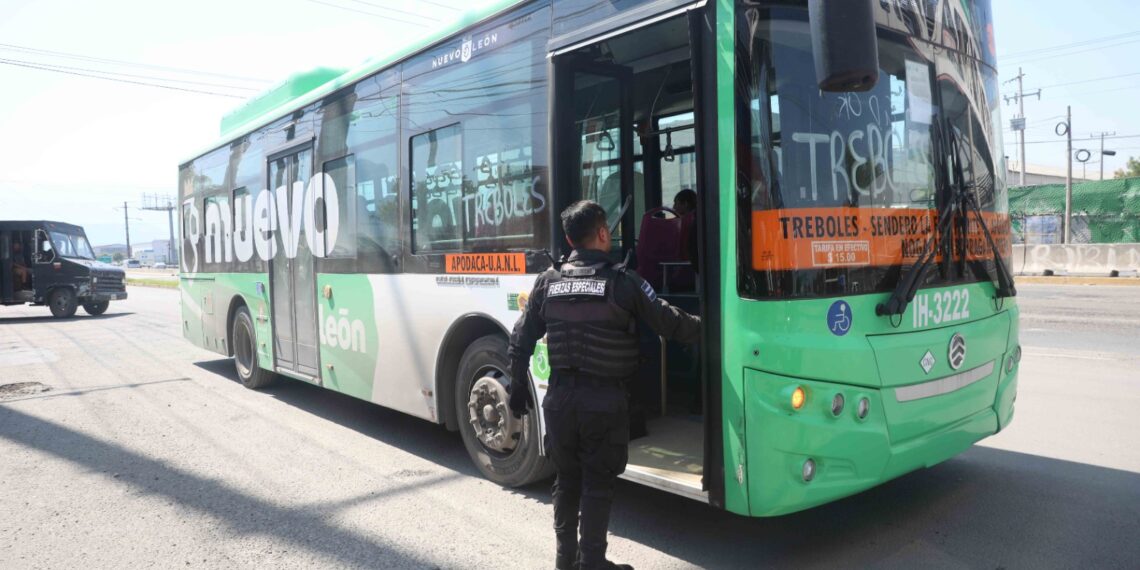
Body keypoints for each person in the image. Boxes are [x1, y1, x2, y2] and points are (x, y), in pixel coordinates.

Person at [508, 200, 701, 570]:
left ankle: (566, 561)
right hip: (604, 402)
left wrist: (517, 386)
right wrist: (714, 326)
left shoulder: (548, 282)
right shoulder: (623, 282)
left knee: (567, 481)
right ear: (601, 233)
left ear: (569, 240)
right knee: (597, 483)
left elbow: (521, 337)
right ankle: (593, 563)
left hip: (559, 401)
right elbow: (669, 322)